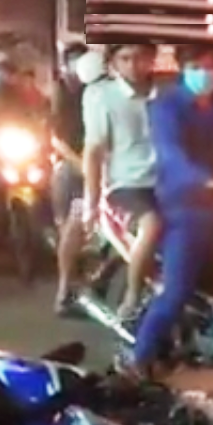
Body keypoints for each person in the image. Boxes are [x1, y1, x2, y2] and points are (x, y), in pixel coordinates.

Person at [117, 42, 213, 378]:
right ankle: (137, 358)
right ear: (184, 69)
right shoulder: (166, 107)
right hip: (185, 206)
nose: (206, 73)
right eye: (198, 66)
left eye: (212, 66)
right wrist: (206, 181)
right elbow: (171, 154)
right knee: (177, 292)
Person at [80, 43, 162, 319]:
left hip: (168, 181)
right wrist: (91, 202)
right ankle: (133, 294)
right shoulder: (101, 96)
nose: (133, 65)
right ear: (113, 63)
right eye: (125, 58)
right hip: (127, 186)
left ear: (152, 58)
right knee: (152, 224)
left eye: (140, 57)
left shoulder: (167, 92)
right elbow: (94, 151)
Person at [50, 44, 92, 315]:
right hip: (72, 167)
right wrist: (81, 165)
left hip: (100, 165)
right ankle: (63, 291)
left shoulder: (97, 91)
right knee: (71, 225)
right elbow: (57, 139)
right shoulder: (62, 93)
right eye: (73, 61)